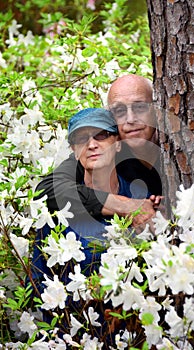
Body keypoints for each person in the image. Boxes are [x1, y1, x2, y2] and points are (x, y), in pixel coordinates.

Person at [30, 108, 155, 338]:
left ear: (117, 143)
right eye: (81, 139)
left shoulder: (142, 194)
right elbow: (40, 280)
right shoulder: (57, 209)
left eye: (100, 135)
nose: (92, 144)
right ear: (74, 150)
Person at [35, 74, 162, 227]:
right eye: (120, 111)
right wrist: (125, 205)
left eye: (140, 107)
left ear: (156, 109)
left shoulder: (177, 146)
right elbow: (48, 189)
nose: (130, 119)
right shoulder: (106, 149)